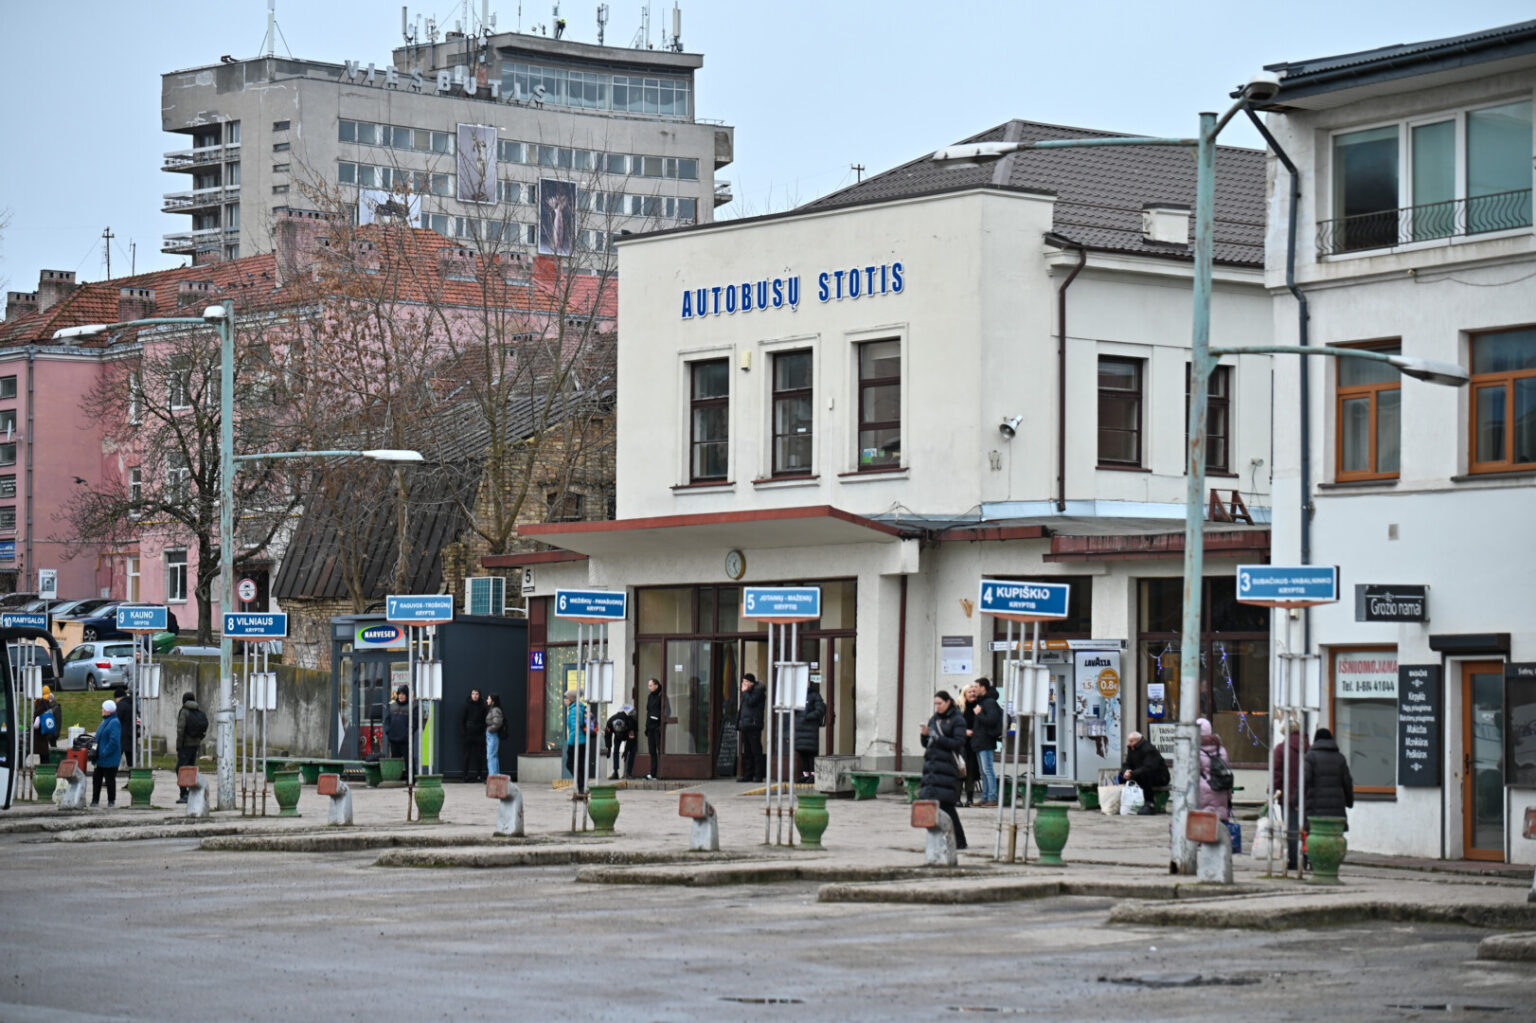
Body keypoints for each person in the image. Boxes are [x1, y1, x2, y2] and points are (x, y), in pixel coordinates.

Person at [919, 691, 968, 851]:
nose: (937, 707)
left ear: (948, 702)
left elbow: (958, 743)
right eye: (936, 704)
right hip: (933, 767)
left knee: (946, 805)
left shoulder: (957, 719)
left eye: (940, 703)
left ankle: (959, 840)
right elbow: (927, 743)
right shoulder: (934, 719)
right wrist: (924, 736)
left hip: (947, 766)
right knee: (934, 804)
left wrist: (938, 738)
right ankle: (941, 837)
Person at [1271, 717, 1310, 869]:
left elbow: (1277, 773)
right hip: (1307, 796)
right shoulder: (1309, 748)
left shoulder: (1281, 749)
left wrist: (1272, 789)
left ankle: (1294, 860)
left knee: (1292, 828)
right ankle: (1306, 858)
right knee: (1306, 828)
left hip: (1288, 796)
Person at [1304, 727, 1353, 835]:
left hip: (1315, 809)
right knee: (1334, 839)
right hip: (1336, 810)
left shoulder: (1310, 757)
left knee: (1316, 838)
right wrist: (1349, 802)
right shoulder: (1340, 758)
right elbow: (1347, 783)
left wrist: (1297, 801)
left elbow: (1305, 780)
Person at [970, 678, 1003, 808]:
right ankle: (984, 798)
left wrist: (979, 714)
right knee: (983, 771)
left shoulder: (990, 702)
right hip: (980, 741)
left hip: (986, 741)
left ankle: (992, 797)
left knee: (988, 770)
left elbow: (992, 720)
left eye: (976, 686)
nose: (974, 689)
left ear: (983, 688)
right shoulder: (982, 702)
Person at [1121, 731, 1169, 814]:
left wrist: (1132, 773)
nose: (1130, 743)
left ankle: (1149, 803)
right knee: (1122, 776)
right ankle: (1126, 801)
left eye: (1131, 741)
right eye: (1129, 741)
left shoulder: (1149, 749)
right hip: (1139, 773)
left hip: (1160, 776)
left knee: (1145, 775)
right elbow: (1127, 763)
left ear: (1138, 740)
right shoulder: (1132, 749)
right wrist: (1126, 771)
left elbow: (1149, 767)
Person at [1196, 717, 1232, 821]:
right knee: (1217, 824)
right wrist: (1229, 797)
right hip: (1221, 791)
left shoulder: (1195, 751)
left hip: (1201, 794)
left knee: (1202, 824)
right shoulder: (1221, 750)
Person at [175, 692, 208, 803]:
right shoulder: (199, 712)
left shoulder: (184, 711)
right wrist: (199, 739)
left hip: (186, 745)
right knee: (190, 768)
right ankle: (190, 792)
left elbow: (180, 730)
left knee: (180, 769)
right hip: (195, 745)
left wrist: (179, 746)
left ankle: (184, 793)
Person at [793, 681, 827, 783]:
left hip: (810, 730)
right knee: (803, 753)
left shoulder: (815, 695)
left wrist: (808, 716)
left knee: (811, 754)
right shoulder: (799, 696)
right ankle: (805, 775)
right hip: (800, 730)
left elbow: (820, 709)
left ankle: (813, 775)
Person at [91, 699, 122, 808]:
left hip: (109, 758)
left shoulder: (114, 722)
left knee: (109, 780)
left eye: (103, 709)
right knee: (96, 779)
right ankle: (95, 800)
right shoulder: (105, 721)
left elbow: (114, 741)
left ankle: (111, 801)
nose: (102, 710)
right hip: (100, 758)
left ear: (108, 711)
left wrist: (105, 752)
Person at [736, 673, 765, 783]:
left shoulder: (758, 692)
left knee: (756, 751)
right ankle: (748, 774)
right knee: (748, 752)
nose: (743, 684)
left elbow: (751, 702)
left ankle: (758, 775)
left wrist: (745, 692)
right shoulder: (747, 693)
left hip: (754, 725)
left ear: (751, 683)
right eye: (743, 682)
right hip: (746, 725)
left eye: (745, 682)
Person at [563, 690, 595, 785]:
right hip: (582, 741)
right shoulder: (579, 708)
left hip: (576, 742)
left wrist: (570, 744)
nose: (564, 700)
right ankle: (582, 786)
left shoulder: (574, 710)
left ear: (571, 699)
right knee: (579, 765)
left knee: (570, 764)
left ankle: (581, 785)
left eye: (566, 698)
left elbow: (575, 729)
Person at [604, 705, 638, 780]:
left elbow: (631, 739)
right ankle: (615, 772)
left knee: (632, 751)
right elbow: (607, 735)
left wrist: (626, 750)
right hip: (617, 735)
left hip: (628, 734)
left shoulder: (630, 723)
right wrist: (608, 748)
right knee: (615, 751)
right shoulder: (610, 723)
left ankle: (629, 773)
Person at [960, 685, 981, 806]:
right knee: (960, 770)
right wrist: (964, 731)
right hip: (960, 744)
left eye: (974, 691)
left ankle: (969, 798)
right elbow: (953, 725)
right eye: (970, 692)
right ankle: (956, 798)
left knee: (971, 772)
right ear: (964, 694)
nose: (973, 694)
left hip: (973, 744)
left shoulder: (978, 707)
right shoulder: (959, 708)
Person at [461, 688, 488, 783]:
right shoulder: (466, 705)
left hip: (479, 735)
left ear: (479, 695)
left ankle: (479, 776)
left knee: (479, 756)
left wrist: (483, 732)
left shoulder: (483, 706)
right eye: (473, 694)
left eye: (476, 694)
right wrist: (464, 732)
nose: (475, 696)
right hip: (468, 734)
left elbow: (486, 721)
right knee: (467, 756)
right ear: (471, 695)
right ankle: (465, 776)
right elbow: (462, 720)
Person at [33, 685, 61, 766]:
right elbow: (58, 719)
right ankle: (51, 765)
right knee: (48, 752)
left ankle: (46, 767)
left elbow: (36, 719)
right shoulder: (53, 703)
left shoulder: (41, 703)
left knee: (44, 754)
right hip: (50, 729)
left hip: (43, 732)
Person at [644, 678, 665, 780]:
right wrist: (647, 726)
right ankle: (653, 773)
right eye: (649, 686)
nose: (649, 687)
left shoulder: (662, 696)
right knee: (652, 751)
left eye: (651, 685)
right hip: (650, 727)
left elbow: (666, 710)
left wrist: (658, 717)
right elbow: (648, 711)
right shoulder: (650, 696)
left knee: (660, 750)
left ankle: (661, 772)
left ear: (656, 685)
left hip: (658, 727)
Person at [385, 686, 412, 761]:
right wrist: (388, 731)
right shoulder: (391, 706)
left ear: (407, 695)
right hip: (393, 739)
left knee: (408, 761)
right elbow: (387, 720)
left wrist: (407, 733)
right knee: (395, 762)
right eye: (399, 694)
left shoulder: (411, 707)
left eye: (403, 694)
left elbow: (414, 723)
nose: (401, 696)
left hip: (405, 740)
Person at [113, 685, 134, 771]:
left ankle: (110, 776)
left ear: (118, 697)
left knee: (115, 758)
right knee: (131, 761)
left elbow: (116, 720)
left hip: (121, 736)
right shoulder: (131, 704)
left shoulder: (120, 706)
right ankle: (132, 776)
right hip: (130, 735)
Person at [485, 694, 505, 778]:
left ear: (493, 701)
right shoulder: (493, 709)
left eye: (488, 699)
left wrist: (489, 730)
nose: (487, 700)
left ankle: (492, 776)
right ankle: (495, 776)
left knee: (491, 756)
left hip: (492, 734)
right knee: (493, 755)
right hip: (492, 734)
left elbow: (497, 723)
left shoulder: (495, 710)